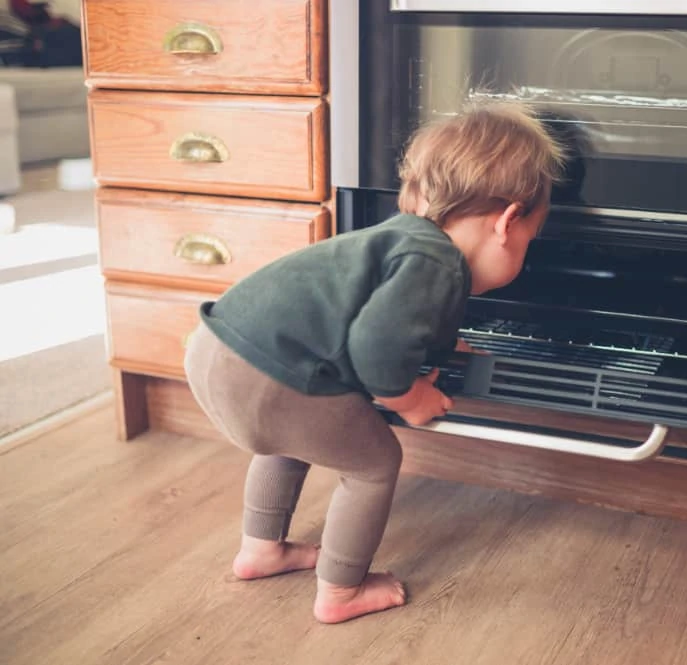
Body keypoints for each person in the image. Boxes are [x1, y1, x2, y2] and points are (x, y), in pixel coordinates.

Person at [183, 100, 565, 624]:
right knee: (373, 464)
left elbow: (398, 319)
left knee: (287, 440)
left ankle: (262, 550)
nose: (525, 249)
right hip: (270, 378)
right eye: (530, 240)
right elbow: (375, 349)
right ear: (507, 221)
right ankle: (342, 591)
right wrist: (411, 399)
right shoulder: (439, 263)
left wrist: (447, 352)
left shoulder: (407, 240)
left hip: (218, 352)